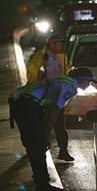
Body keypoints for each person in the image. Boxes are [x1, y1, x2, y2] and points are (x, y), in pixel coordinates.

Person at [10, 67, 96, 191]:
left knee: (35, 146)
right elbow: (53, 111)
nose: (89, 85)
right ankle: (43, 186)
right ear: (80, 80)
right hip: (27, 105)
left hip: (21, 103)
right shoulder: (69, 86)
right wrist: (45, 135)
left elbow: (57, 114)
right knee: (38, 145)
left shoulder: (63, 81)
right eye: (88, 82)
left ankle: (41, 183)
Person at [26, 33, 74, 162]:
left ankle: (63, 150)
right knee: (44, 126)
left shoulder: (62, 57)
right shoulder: (40, 57)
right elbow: (32, 75)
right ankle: (38, 150)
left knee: (60, 126)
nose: (61, 46)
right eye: (59, 43)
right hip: (44, 97)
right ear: (51, 44)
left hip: (58, 96)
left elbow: (66, 74)